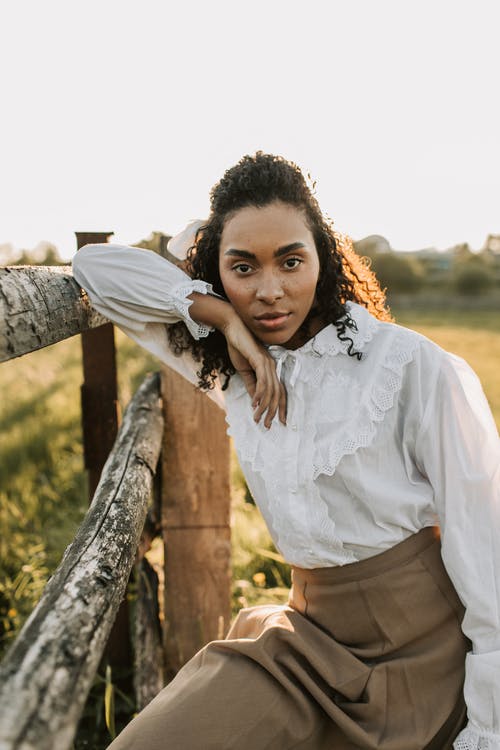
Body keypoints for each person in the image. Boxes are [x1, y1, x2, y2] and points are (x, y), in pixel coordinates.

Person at [72, 152, 500, 750]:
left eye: (291, 261)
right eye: (242, 267)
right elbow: (94, 268)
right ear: (214, 268)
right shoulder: (229, 368)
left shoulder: (408, 366)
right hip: (309, 642)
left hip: (427, 656)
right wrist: (221, 317)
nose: (270, 292)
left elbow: (486, 548)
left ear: (323, 257)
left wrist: (489, 725)